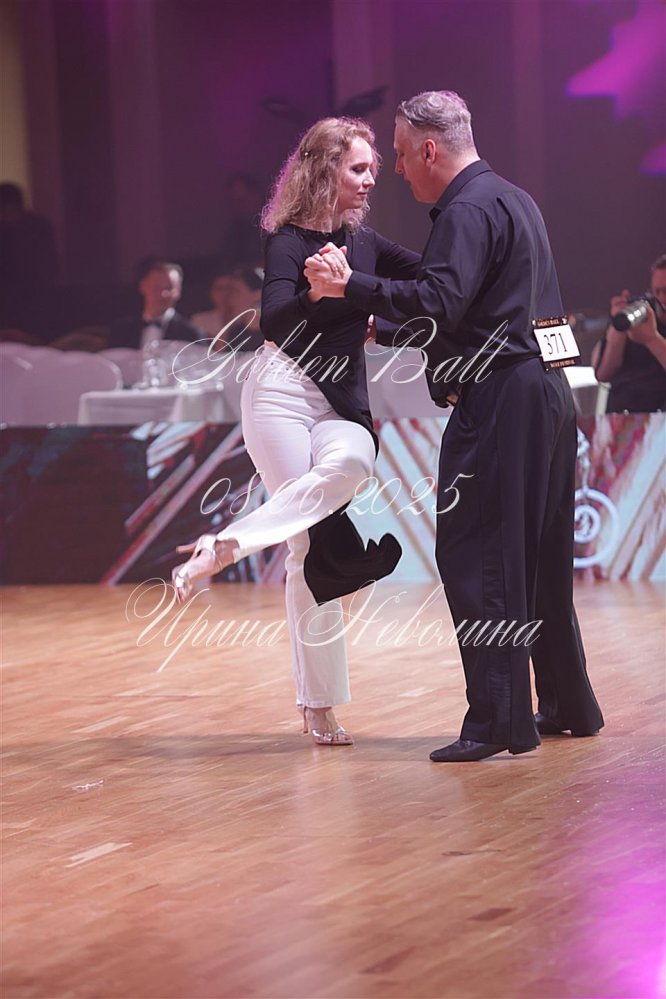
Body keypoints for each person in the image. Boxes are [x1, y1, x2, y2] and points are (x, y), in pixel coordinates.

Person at [305, 91, 604, 762]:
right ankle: (566, 703)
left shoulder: (465, 210)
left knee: (479, 555)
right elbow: (489, 308)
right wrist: (387, 326)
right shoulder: (515, 199)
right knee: (539, 558)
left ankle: (497, 721)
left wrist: (351, 286)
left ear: (430, 148)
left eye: (401, 155)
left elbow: (440, 300)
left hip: (502, 398)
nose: (398, 170)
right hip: (549, 389)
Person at [172, 117, 419, 745]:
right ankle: (319, 704)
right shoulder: (287, 242)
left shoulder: (364, 242)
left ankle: (227, 544)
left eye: (372, 169)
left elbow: (427, 283)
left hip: (340, 401)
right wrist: (323, 290)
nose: (370, 180)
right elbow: (278, 320)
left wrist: (373, 303)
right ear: (325, 169)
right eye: (358, 168)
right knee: (310, 548)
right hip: (280, 391)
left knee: (354, 462)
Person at [592, 255, 666, 413]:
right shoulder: (640, 315)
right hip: (621, 417)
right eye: (657, 291)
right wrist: (619, 326)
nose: (661, 298)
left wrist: (652, 339)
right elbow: (603, 374)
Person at [109, 259, 203, 350]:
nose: (163, 294)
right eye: (157, 287)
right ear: (143, 286)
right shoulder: (121, 331)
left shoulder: (192, 335)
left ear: (178, 291)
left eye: (169, 288)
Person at [191, 271, 235, 339]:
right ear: (211, 293)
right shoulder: (199, 320)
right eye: (220, 289)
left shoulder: (245, 318)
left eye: (229, 288)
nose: (225, 293)